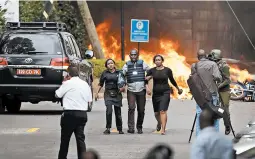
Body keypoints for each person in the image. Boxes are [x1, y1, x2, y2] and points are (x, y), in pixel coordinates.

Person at [55, 66, 93, 159]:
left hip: (69, 114)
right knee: (80, 139)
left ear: (68, 74)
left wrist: (64, 82)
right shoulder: (85, 84)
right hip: (82, 114)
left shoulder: (67, 83)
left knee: (65, 139)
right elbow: (89, 99)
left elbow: (57, 94)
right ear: (78, 73)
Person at [146, 54, 183, 135]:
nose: (158, 61)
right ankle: (159, 123)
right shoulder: (151, 71)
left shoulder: (167, 70)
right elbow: (145, 80)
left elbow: (172, 80)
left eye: (159, 60)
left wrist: (178, 88)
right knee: (156, 113)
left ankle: (163, 129)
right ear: (154, 62)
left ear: (162, 61)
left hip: (165, 92)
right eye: (156, 60)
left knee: (162, 111)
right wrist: (147, 88)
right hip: (156, 93)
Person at [191, 49, 222, 136]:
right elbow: (218, 77)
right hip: (212, 93)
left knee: (199, 114)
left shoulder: (194, 66)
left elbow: (193, 79)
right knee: (215, 114)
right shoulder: (213, 64)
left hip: (200, 95)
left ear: (198, 56)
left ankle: (199, 137)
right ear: (206, 55)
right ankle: (214, 136)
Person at [122, 48, 151, 134]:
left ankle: (139, 127)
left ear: (137, 56)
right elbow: (122, 76)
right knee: (131, 108)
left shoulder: (142, 63)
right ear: (129, 56)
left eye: (135, 55)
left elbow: (151, 72)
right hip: (131, 90)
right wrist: (122, 85)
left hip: (141, 90)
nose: (133, 56)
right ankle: (131, 128)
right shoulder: (126, 65)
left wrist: (148, 79)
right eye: (132, 55)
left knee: (141, 110)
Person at [95, 59, 125, 135]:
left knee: (118, 112)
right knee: (109, 111)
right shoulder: (104, 73)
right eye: (108, 64)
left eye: (112, 63)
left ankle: (120, 128)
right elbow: (101, 84)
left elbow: (123, 82)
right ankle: (108, 128)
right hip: (108, 93)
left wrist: (123, 88)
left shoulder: (119, 73)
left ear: (114, 64)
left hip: (117, 93)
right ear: (106, 65)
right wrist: (96, 93)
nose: (110, 65)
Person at [209, 49, 232, 135]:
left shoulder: (224, 66)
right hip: (215, 90)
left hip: (224, 91)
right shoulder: (213, 64)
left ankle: (227, 125)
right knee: (213, 108)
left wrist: (218, 86)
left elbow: (227, 80)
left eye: (212, 56)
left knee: (225, 109)